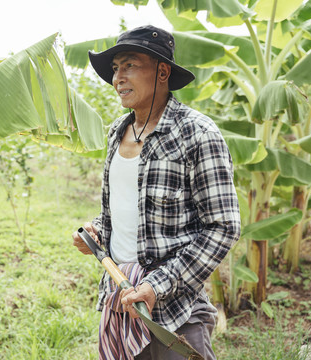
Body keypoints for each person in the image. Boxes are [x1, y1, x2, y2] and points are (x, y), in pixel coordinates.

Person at [72, 25, 241, 359]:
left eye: (130, 65)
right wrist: (96, 231)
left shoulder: (197, 133)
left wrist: (156, 285)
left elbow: (223, 227)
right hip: (121, 296)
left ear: (163, 71)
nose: (118, 77)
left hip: (176, 311)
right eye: (115, 68)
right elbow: (119, 214)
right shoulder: (116, 133)